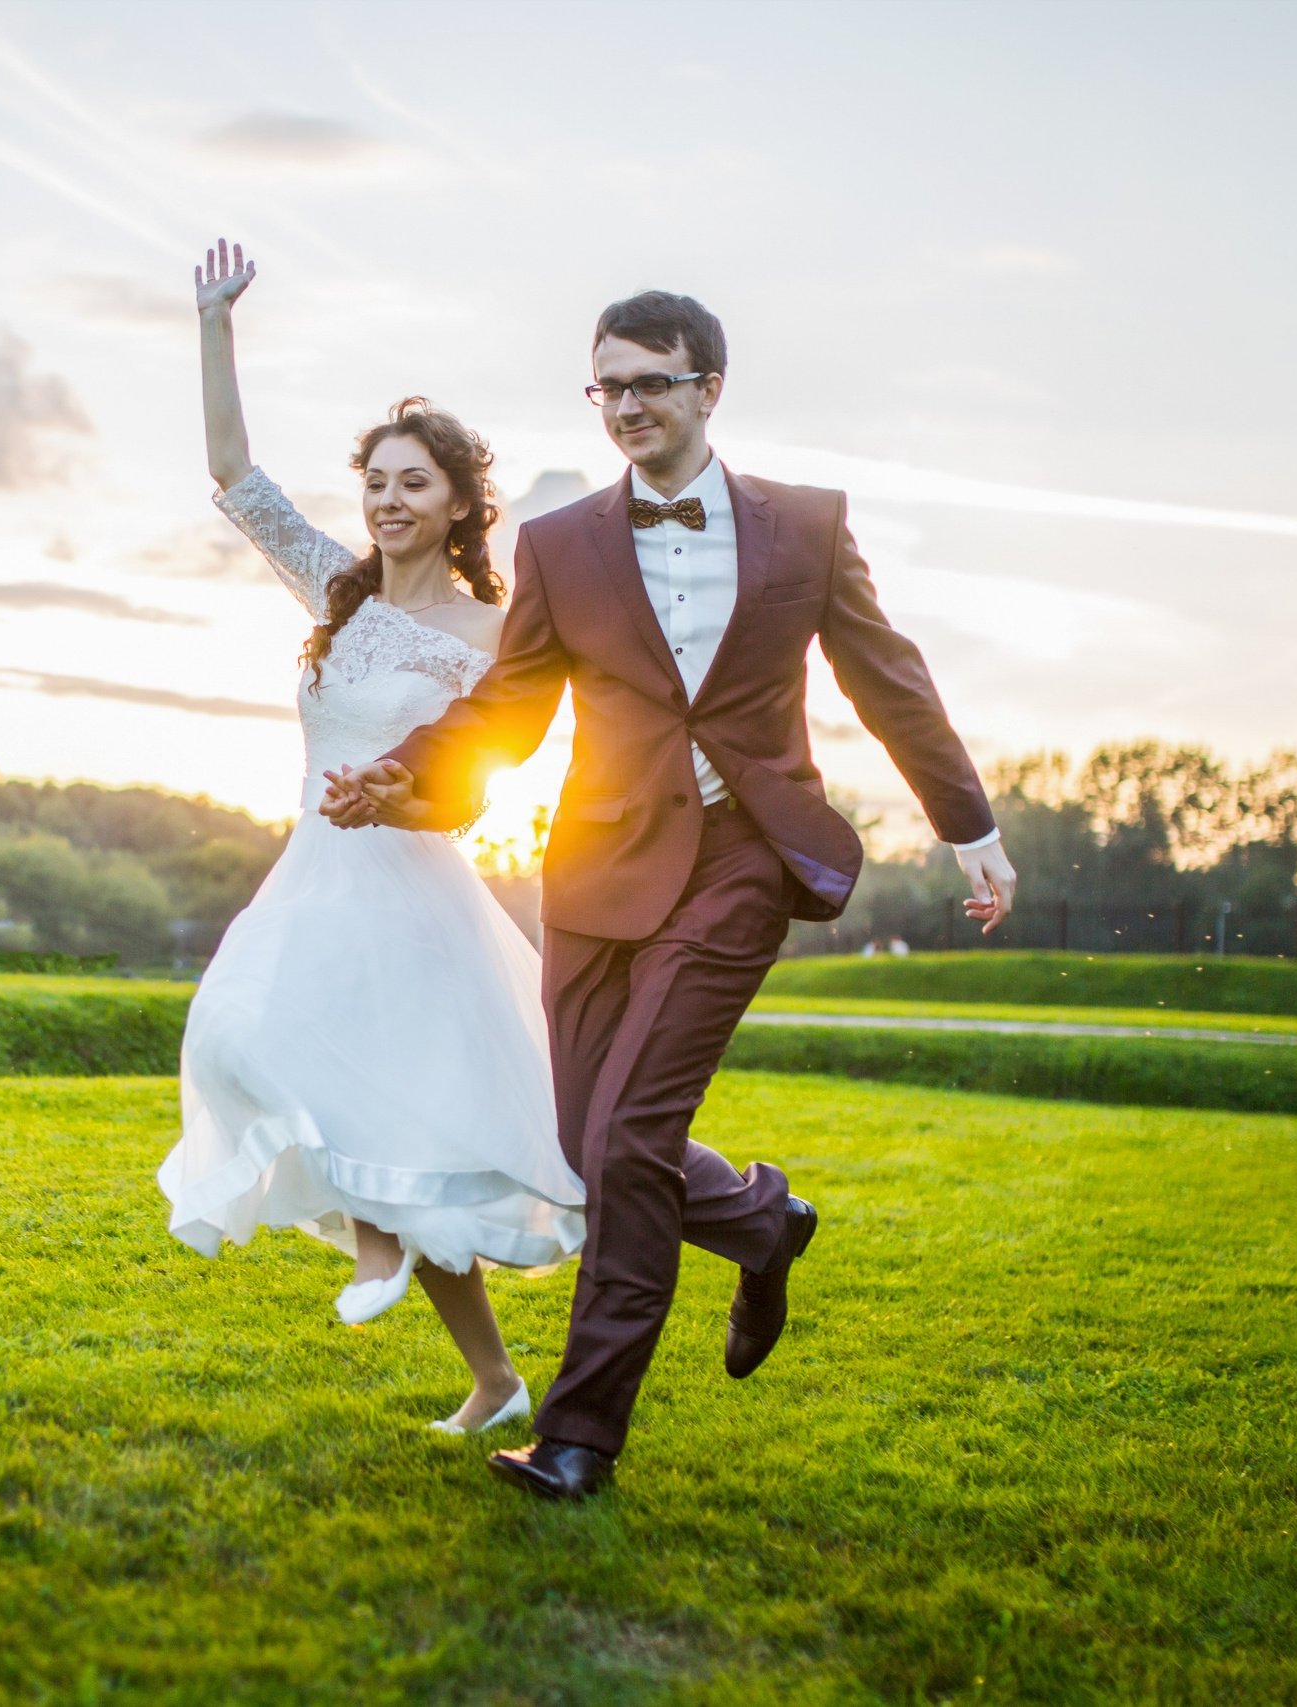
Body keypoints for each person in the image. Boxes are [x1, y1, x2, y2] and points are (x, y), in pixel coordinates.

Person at [323, 290, 1016, 1501]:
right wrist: (406, 772)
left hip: (744, 857)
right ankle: (759, 1223)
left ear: (708, 389)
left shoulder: (807, 526)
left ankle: (579, 1437)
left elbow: (886, 677)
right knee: (583, 1144)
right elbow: (509, 707)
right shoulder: (559, 545)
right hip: (597, 870)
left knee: (631, 1137)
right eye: (609, 385)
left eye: (651, 381)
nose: (627, 405)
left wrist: (970, 827)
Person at [156, 241, 585, 1437]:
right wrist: (213, 324)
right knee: (233, 1034)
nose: (390, 501)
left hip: (410, 892)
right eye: (378, 483)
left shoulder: (496, 630)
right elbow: (236, 478)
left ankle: (485, 1368)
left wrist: (402, 795)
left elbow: (484, 770)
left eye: (415, 483)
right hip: (311, 878)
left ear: (457, 504)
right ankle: (380, 1242)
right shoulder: (335, 591)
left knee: (412, 1132)